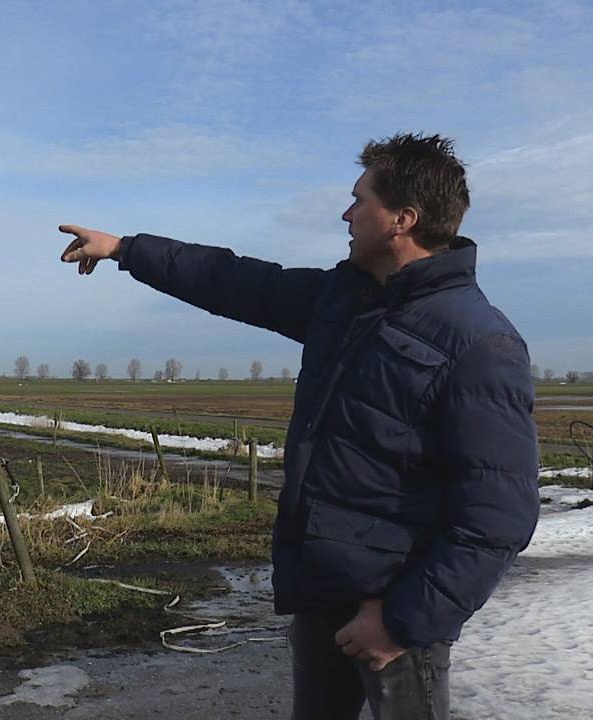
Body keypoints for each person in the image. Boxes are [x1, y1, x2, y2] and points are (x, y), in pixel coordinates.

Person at [57, 133, 539, 720]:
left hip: (394, 612)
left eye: (359, 200)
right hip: (322, 592)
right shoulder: (344, 300)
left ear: (402, 220)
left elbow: (499, 516)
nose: (346, 214)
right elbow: (231, 279)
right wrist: (124, 249)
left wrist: (401, 622)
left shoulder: (478, 341)